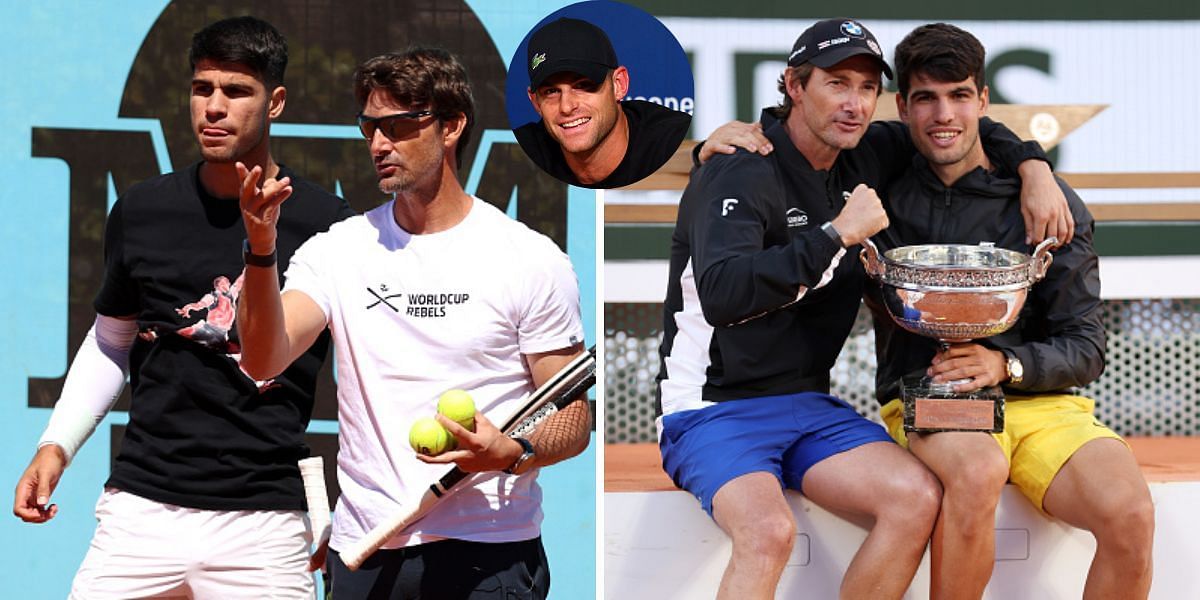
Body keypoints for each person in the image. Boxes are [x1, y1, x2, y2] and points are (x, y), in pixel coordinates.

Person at [657, 18, 1070, 599]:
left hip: (808, 403)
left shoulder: (863, 154)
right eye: (837, 83)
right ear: (794, 86)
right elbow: (726, 295)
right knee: (770, 533)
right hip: (712, 408)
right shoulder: (740, 165)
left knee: (916, 499)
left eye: (867, 88)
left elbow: (958, 124)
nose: (854, 103)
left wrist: (1033, 167)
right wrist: (835, 234)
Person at [12, 16, 353, 598]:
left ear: (275, 102)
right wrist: (56, 444)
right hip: (140, 509)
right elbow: (110, 341)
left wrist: (344, 510)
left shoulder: (329, 227)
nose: (213, 108)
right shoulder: (142, 209)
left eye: (236, 91)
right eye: (202, 89)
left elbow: (368, 377)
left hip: (266, 522)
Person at [235, 47, 591, 599]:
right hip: (368, 553)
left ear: (451, 126)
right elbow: (261, 358)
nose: (379, 144)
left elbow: (572, 417)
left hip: (490, 553)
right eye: (370, 127)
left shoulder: (530, 258)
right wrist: (261, 250)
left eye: (399, 126)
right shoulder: (337, 251)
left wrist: (512, 454)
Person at [867, 23, 1153, 599]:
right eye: (925, 98)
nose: (943, 114)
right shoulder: (879, 187)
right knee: (975, 474)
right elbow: (802, 150)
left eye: (959, 96)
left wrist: (1007, 366)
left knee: (1131, 515)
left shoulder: (1048, 203)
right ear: (901, 106)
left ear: (983, 100)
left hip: (1043, 404)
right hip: (930, 393)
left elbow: (1086, 344)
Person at [513, 16, 691, 189]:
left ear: (619, 85)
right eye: (551, 92)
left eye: (583, 85)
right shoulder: (518, 153)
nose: (566, 107)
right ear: (536, 102)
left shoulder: (668, 141)